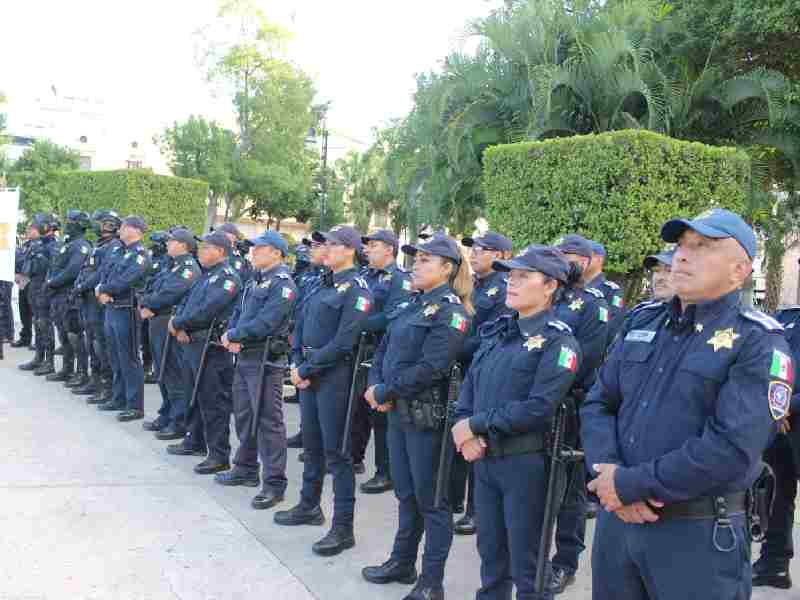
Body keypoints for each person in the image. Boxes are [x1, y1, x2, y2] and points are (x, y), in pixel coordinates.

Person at [582, 208, 790, 600]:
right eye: (680, 245)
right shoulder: (642, 323)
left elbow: (732, 447)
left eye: (702, 246)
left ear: (739, 270)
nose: (681, 255)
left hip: (697, 534)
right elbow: (599, 402)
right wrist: (608, 474)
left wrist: (630, 484)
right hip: (618, 529)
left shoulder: (759, 340)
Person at [453, 244, 581, 600]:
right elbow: (471, 383)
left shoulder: (559, 342)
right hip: (485, 459)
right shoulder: (499, 330)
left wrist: (475, 425)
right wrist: (464, 428)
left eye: (524, 276)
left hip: (526, 466)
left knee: (528, 566)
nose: (512, 282)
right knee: (491, 555)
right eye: (511, 274)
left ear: (551, 286)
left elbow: (538, 407)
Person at [361, 233, 472, 600]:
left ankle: (431, 582)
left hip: (427, 419)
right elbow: (385, 350)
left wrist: (385, 390)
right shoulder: (411, 302)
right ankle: (402, 561)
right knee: (406, 493)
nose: (416, 264)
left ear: (447, 268)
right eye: (415, 258)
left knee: (433, 501)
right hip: (398, 414)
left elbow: (432, 367)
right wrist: (377, 385)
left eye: (426, 259)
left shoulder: (450, 311)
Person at [275, 226, 372, 558]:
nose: (324, 249)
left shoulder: (357, 289)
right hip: (310, 371)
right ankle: (308, 504)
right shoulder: (320, 282)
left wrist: (306, 368)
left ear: (349, 250)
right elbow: (301, 325)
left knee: (338, 454)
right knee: (313, 446)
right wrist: (297, 361)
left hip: (336, 376)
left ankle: (343, 528)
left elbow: (345, 340)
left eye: (331, 245)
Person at [548, 234, 610, 594]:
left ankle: (565, 561)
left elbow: (582, 359)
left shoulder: (593, 304)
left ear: (586, 261)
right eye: (559, 254)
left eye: (569, 254)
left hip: (571, 404)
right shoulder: (549, 295)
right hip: (538, 405)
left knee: (570, 491)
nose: (563, 259)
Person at [218, 230, 297, 510]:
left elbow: (267, 321)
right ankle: (245, 467)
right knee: (243, 414)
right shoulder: (256, 280)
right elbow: (239, 314)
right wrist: (232, 334)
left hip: (266, 360)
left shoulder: (282, 284)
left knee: (268, 422)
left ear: (276, 253)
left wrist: (237, 335)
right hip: (246, 355)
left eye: (260, 248)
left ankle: (274, 484)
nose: (254, 252)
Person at [451, 231, 514, 536]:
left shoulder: (503, 289)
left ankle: (475, 510)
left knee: (477, 439)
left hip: (477, 364)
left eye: (482, 250)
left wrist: (451, 348)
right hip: (462, 366)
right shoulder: (473, 284)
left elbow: (488, 336)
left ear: (502, 256)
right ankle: (458, 500)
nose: (474, 254)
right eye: (472, 249)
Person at [169, 231, 241, 473]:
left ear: (220, 251)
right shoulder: (207, 275)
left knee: (214, 401)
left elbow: (207, 310)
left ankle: (219, 454)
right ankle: (195, 439)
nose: (200, 251)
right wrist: (178, 321)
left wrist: (180, 324)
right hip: (192, 341)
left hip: (212, 348)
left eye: (206, 247)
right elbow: (187, 302)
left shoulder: (228, 278)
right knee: (194, 395)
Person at [355, 229, 413, 494]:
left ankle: (384, 471)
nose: (367, 250)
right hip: (359, 350)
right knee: (359, 409)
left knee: (380, 415)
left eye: (374, 245)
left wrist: (355, 325)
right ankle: (354, 458)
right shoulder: (365, 276)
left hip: (381, 348)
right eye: (366, 245)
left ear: (390, 249)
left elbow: (392, 315)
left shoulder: (400, 280)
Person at [752, 302, 800, 590]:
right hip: (782, 425)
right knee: (778, 494)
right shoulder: (786, 317)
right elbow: (768, 365)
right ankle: (774, 564)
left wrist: (785, 407)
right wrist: (775, 407)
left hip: (789, 415)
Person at [139, 228, 201, 439]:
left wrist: (148, 304)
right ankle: (166, 413)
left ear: (183, 245)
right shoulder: (172, 265)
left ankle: (178, 421)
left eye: (172, 241)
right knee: (162, 371)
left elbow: (171, 292)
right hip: (158, 319)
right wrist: (146, 302)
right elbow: (154, 286)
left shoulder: (188, 268)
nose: (168, 244)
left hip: (169, 321)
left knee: (173, 372)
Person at [95, 215, 151, 421]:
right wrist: (101, 288)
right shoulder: (119, 250)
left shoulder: (140, 255)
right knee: (115, 356)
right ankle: (119, 397)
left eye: (126, 226)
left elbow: (128, 279)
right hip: (111, 307)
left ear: (136, 230)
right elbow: (106, 272)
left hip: (126, 309)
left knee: (129, 357)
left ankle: (135, 405)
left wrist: (106, 289)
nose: (122, 229)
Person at [286, 239, 329, 451]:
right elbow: (302, 309)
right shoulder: (315, 278)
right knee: (308, 402)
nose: (313, 250)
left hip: (330, 354)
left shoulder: (353, 284)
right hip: (305, 345)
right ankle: (307, 434)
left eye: (318, 246)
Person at [77, 210, 124, 405]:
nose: (95, 225)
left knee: (100, 344)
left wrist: (84, 285)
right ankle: (95, 380)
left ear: (109, 225)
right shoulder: (99, 245)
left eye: (99, 222)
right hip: (88, 299)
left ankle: (107, 386)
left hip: (97, 300)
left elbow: (101, 273)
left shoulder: (114, 246)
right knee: (91, 341)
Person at [44, 210, 92, 384]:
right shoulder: (68, 243)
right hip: (58, 295)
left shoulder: (81, 245)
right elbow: (55, 265)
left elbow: (72, 271)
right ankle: (67, 368)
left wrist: (52, 282)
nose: (67, 224)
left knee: (74, 334)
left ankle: (81, 372)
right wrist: (50, 280)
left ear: (78, 225)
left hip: (69, 295)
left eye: (71, 221)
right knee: (63, 334)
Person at [19, 213, 59, 375]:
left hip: (44, 288)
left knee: (45, 323)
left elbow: (53, 268)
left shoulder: (53, 246)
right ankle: (38, 357)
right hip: (33, 287)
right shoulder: (35, 244)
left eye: (35, 226)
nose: (32, 229)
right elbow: (27, 266)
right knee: (37, 322)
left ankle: (49, 361)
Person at [585, 241, 626, 343]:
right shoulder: (572, 287)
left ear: (599, 259)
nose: (582, 260)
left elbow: (612, 327)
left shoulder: (611, 291)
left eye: (586, 255)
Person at [12, 235, 34, 349]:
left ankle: (38, 341)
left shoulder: (41, 245)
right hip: (24, 278)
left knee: (36, 313)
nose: (28, 231)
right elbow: (19, 258)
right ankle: (25, 337)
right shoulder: (25, 245)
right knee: (23, 309)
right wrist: (16, 272)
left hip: (35, 280)